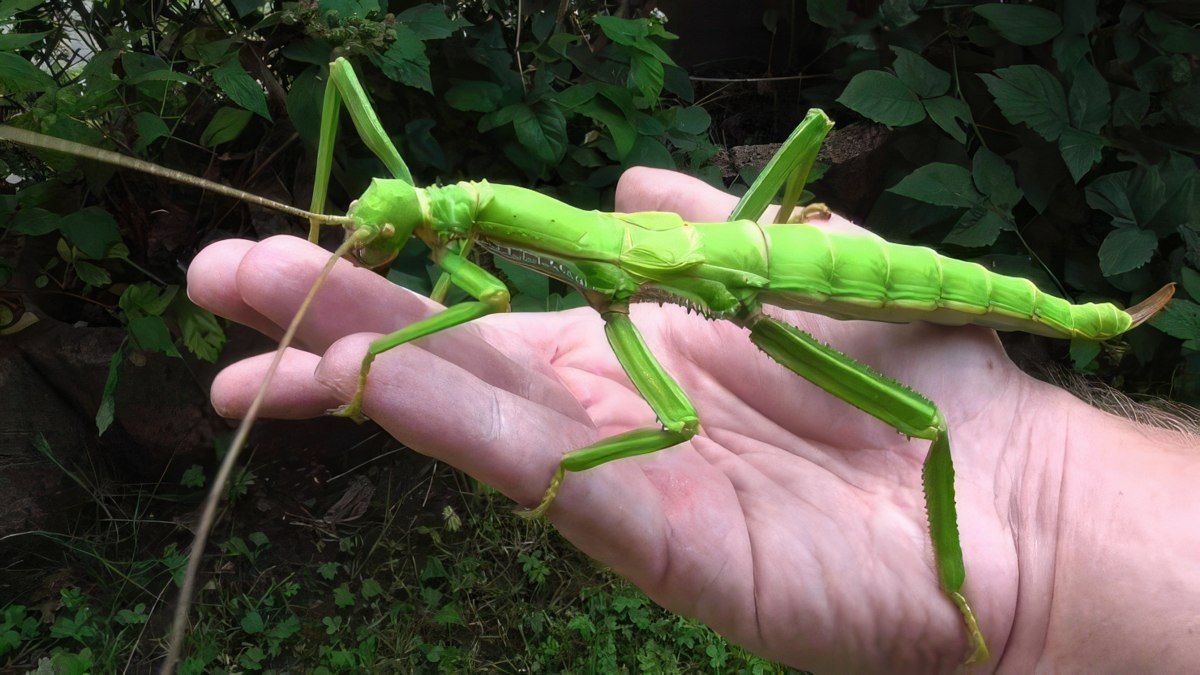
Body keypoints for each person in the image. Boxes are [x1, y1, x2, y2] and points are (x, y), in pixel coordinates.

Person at [187, 167, 1200, 672]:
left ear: (447, 218)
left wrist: (556, 474)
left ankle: (961, 584)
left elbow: (643, 407)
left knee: (925, 425)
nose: (367, 240)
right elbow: (482, 293)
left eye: (383, 226)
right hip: (748, 270)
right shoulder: (507, 231)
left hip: (811, 285)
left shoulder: (547, 267)